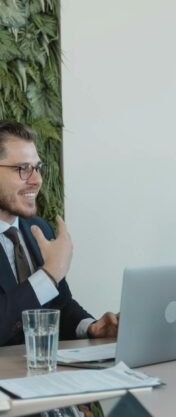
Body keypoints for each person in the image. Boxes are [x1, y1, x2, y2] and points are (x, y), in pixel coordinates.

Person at [0, 120, 118, 346]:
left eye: (37, 168)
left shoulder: (38, 229)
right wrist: (50, 274)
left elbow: (58, 305)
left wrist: (91, 327)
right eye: (23, 169)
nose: (37, 180)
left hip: (44, 375)